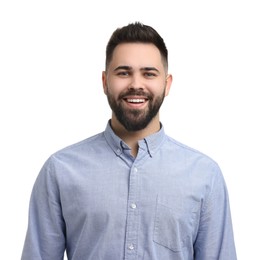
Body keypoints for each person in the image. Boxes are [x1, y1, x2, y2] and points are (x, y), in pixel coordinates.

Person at [21, 22, 237, 260]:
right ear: (105, 82)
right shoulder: (60, 171)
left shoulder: (204, 175)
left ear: (167, 84)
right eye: (124, 73)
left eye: (149, 73)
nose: (136, 84)